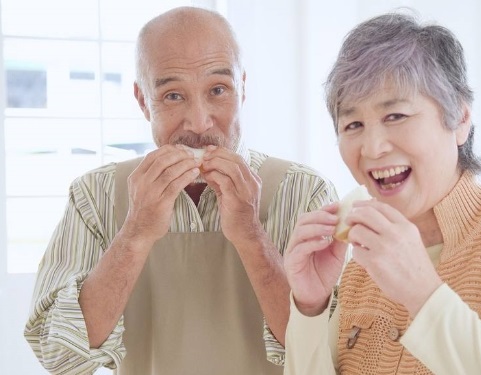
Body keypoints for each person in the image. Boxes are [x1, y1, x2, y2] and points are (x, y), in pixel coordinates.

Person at [24, 6, 338, 374]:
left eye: (218, 90)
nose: (199, 122)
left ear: (243, 89)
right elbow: (58, 356)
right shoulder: (94, 196)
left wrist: (251, 236)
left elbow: (328, 354)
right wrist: (135, 232)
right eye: (173, 96)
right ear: (143, 101)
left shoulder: (305, 192)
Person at [283, 11, 481, 375]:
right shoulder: (359, 269)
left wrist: (423, 294)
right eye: (353, 124)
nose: (372, 148)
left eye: (395, 116)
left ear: (461, 118)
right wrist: (310, 307)